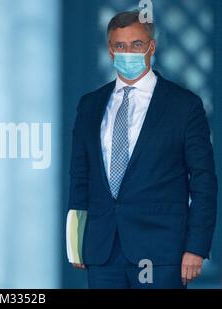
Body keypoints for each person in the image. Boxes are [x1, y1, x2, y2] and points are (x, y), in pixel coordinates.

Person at [68, 10, 217, 288]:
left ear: (152, 47)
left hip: (161, 253)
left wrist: (196, 247)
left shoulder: (184, 105)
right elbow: (80, 178)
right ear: (110, 51)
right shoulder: (89, 105)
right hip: (103, 252)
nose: (128, 53)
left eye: (136, 44)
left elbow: (203, 182)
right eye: (120, 46)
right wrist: (76, 242)